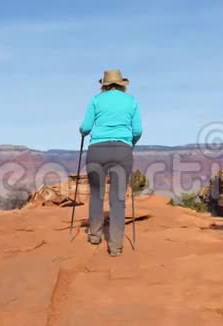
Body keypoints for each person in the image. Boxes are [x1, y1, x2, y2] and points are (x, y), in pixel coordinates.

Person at [79, 69, 143, 257]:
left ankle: (95, 235)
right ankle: (115, 246)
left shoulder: (96, 100)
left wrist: (82, 131)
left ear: (104, 84)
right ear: (122, 84)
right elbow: (138, 130)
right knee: (118, 199)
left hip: (97, 151)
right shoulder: (131, 101)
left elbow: (86, 127)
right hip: (122, 151)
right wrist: (129, 143)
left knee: (97, 194)